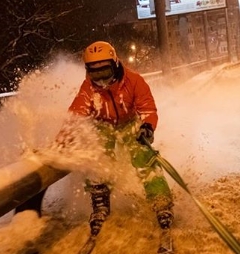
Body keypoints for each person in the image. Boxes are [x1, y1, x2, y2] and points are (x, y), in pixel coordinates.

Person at [66, 41, 174, 235]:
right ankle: (100, 200)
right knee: (97, 151)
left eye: (104, 72)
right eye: (94, 74)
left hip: (129, 122)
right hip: (103, 125)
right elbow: (76, 115)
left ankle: (160, 200)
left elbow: (147, 107)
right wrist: (64, 140)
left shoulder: (133, 81)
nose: (100, 80)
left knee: (142, 154)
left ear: (115, 65)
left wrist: (147, 127)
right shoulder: (88, 89)